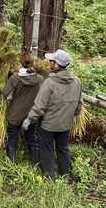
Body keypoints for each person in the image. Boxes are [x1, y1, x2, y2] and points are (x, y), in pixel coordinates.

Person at [22, 50, 83, 181]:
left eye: (51, 61)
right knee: (63, 148)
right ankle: (66, 175)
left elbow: (40, 106)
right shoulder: (77, 82)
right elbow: (79, 105)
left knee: (47, 150)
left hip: (48, 125)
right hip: (65, 124)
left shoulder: (49, 83)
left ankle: (49, 178)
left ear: (56, 65)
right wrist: (71, 116)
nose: (49, 63)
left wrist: (29, 119)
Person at [1, 52, 44, 165]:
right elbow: (42, 96)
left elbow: (6, 93)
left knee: (12, 140)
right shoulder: (39, 79)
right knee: (31, 139)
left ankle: (10, 165)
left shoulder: (14, 79)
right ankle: (33, 164)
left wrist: (12, 97)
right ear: (33, 63)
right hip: (31, 115)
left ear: (20, 64)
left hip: (15, 114)